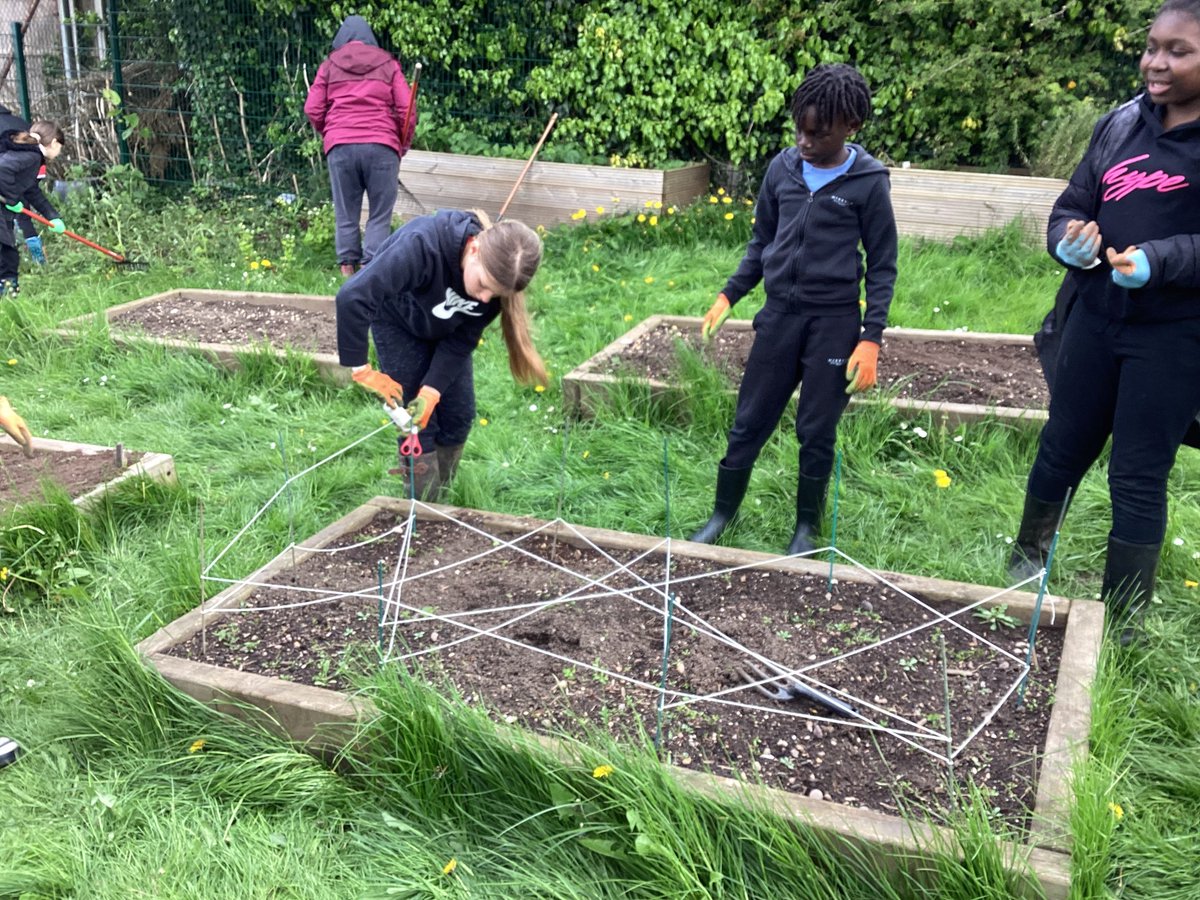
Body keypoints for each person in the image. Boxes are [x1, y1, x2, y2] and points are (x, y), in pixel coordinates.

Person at [1008, 0, 1200, 644]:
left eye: (1179, 51)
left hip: (1174, 335)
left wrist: (1159, 260)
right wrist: (1068, 239)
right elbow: (1073, 202)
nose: (1156, 61)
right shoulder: (1120, 124)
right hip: (1094, 315)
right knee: (1063, 444)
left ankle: (1122, 622)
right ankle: (1025, 559)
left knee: (1138, 473)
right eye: (1152, 47)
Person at [688, 63, 898, 554]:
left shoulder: (868, 183)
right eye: (800, 129)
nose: (804, 141)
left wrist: (871, 339)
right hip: (779, 316)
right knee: (749, 420)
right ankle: (722, 514)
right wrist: (729, 294)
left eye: (818, 133)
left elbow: (883, 266)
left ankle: (805, 530)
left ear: (851, 127)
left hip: (834, 324)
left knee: (816, 430)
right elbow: (762, 241)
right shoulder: (782, 168)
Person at [336, 209, 546, 499]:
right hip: (398, 323)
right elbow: (352, 298)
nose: (485, 298)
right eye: (484, 285)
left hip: (446, 331)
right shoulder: (422, 245)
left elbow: (463, 338)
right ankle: (423, 508)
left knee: (459, 416)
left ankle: (441, 499)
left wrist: (432, 390)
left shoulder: (498, 287)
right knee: (417, 424)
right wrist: (362, 371)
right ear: (474, 249)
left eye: (494, 295)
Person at [304, 15, 414, 278]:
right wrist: (402, 143)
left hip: (341, 146)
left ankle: (347, 271)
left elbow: (312, 108)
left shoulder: (329, 66)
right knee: (379, 213)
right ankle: (370, 271)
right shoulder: (389, 65)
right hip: (382, 145)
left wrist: (330, 134)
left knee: (346, 210)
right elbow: (407, 110)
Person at [0, 118, 62, 295]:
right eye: (60, 148)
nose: (59, 152)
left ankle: (7, 293)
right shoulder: (32, 156)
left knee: (7, 249)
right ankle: (7, 293)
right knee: (7, 251)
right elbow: (2, 170)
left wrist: (52, 216)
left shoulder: (29, 155)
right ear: (55, 143)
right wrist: (13, 200)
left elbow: (31, 191)